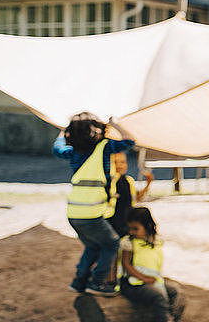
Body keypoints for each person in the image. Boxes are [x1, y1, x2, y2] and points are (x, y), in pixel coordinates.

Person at [52, 112, 135, 296]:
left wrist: (62, 131)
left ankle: (79, 282)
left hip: (74, 213)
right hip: (92, 213)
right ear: (97, 132)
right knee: (112, 244)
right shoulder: (104, 147)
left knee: (93, 246)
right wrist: (115, 124)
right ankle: (97, 283)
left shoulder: (73, 152)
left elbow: (57, 149)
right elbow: (129, 141)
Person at [119, 207, 184, 322]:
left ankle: (169, 317)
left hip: (150, 280)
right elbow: (126, 264)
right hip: (131, 284)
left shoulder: (155, 241)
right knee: (158, 295)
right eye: (129, 228)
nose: (131, 232)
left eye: (135, 229)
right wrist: (144, 278)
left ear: (148, 226)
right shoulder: (128, 242)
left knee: (174, 290)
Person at [105, 152, 154, 238]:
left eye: (123, 162)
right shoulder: (109, 181)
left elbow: (136, 198)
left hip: (126, 223)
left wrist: (148, 183)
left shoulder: (129, 180)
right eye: (115, 162)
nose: (120, 165)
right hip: (112, 222)